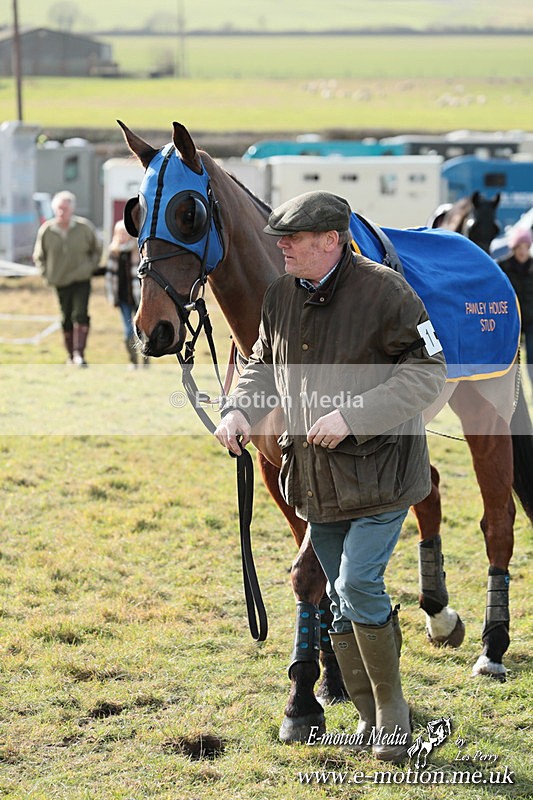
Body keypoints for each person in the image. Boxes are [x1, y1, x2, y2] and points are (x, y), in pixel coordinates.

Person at [214, 191, 447, 762]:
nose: (282, 248)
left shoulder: (388, 293)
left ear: (331, 242)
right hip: (317, 483)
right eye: (281, 239)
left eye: (293, 239)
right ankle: (368, 717)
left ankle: (393, 716)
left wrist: (354, 416)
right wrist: (239, 409)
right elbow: (261, 362)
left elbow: (429, 370)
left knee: (356, 584)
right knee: (336, 596)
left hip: (383, 478)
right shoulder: (280, 297)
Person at [33, 190, 102, 366]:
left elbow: (97, 249)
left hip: (81, 279)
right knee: (65, 317)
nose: (62, 212)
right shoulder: (47, 230)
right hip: (59, 280)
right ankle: (70, 355)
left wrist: (90, 267)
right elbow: (39, 256)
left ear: (72, 209)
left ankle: (80, 354)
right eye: (59, 209)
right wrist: (46, 274)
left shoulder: (84, 227)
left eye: (65, 208)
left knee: (80, 313)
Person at [105, 220, 147, 369]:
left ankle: (145, 359)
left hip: (138, 298)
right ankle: (133, 361)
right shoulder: (114, 252)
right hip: (123, 299)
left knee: (143, 330)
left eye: (125, 233)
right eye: (119, 233)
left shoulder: (138, 251)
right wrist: (112, 297)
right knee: (128, 332)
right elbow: (109, 277)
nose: (122, 236)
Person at [498, 227, 533, 387]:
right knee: (511, 359)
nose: (522, 251)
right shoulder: (502, 267)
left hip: (531, 321)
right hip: (511, 321)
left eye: (526, 247)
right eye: (519, 247)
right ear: (513, 248)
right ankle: (510, 391)